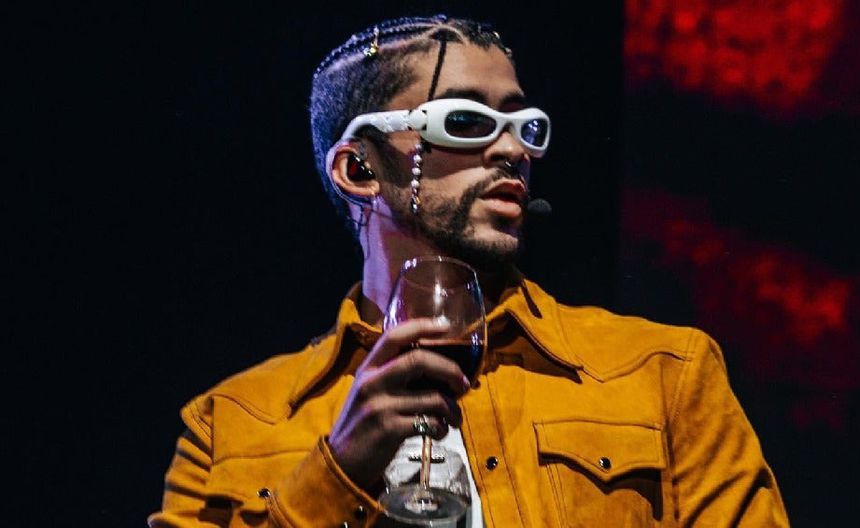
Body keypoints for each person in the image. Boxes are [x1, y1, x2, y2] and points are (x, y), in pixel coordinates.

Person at [149, 14, 789, 527]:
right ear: (360, 169)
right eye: (464, 121)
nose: (512, 149)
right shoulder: (232, 424)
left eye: (524, 126)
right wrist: (339, 471)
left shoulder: (661, 374)